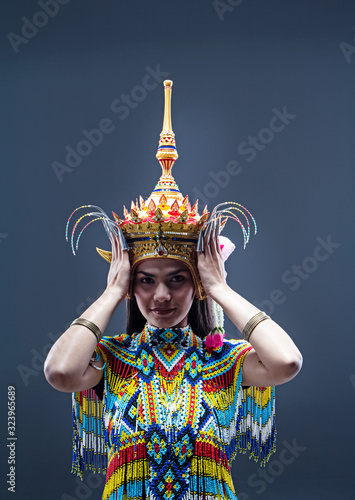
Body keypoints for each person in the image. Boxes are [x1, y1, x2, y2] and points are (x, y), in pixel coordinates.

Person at [44, 81, 302, 500]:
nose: (161, 295)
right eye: (146, 280)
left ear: (196, 284)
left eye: (177, 279)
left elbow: (287, 361)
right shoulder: (111, 360)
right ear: (131, 283)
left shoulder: (225, 363)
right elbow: (59, 372)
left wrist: (218, 285)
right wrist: (113, 291)